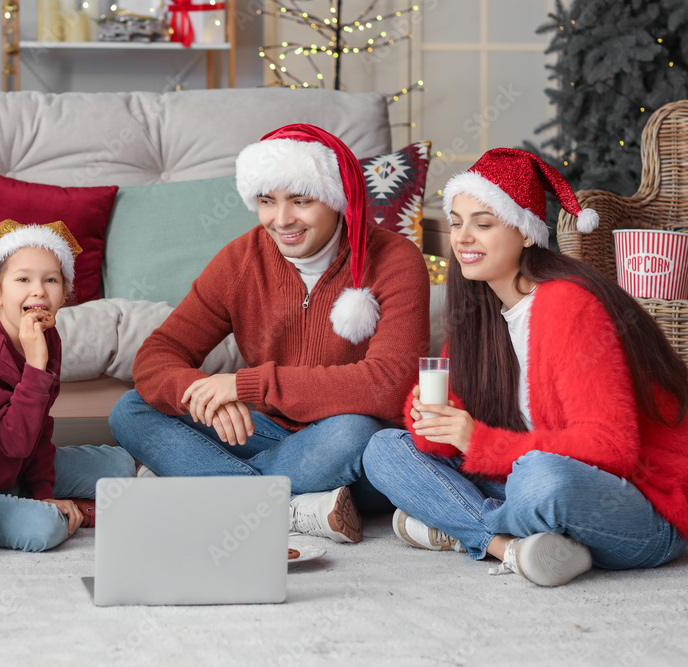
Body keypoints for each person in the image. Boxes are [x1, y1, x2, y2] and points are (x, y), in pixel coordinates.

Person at [362, 148, 688, 586]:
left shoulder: (566, 304)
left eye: (483, 224)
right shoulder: (477, 317)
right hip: (527, 487)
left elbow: (613, 448)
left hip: (637, 506)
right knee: (385, 449)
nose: (463, 238)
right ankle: (506, 545)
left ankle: (457, 527)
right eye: (457, 223)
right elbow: (444, 446)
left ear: (527, 234)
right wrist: (432, 421)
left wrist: (478, 440)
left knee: (540, 479)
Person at [109, 124, 431, 543]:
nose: (282, 221)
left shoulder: (394, 259)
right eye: (267, 202)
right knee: (131, 409)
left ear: (337, 199)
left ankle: (211, 487)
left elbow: (389, 385)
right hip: (260, 432)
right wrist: (205, 392)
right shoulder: (241, 260)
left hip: (343, 449)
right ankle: (292, 507)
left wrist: (245, 385)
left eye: (301, 201)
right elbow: (159, 353)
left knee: (357, 430)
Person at [0, 219, 135, 552]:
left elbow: (38, 426)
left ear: (63, 295)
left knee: (121, 465)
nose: (38, 290)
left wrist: (43, 492)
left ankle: (27, 498)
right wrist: (36, 365)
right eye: (23, 279)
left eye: (51, 280)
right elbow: (17, 440)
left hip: (12, 468)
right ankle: (64, 510)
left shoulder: (46, 338)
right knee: (44, 528)